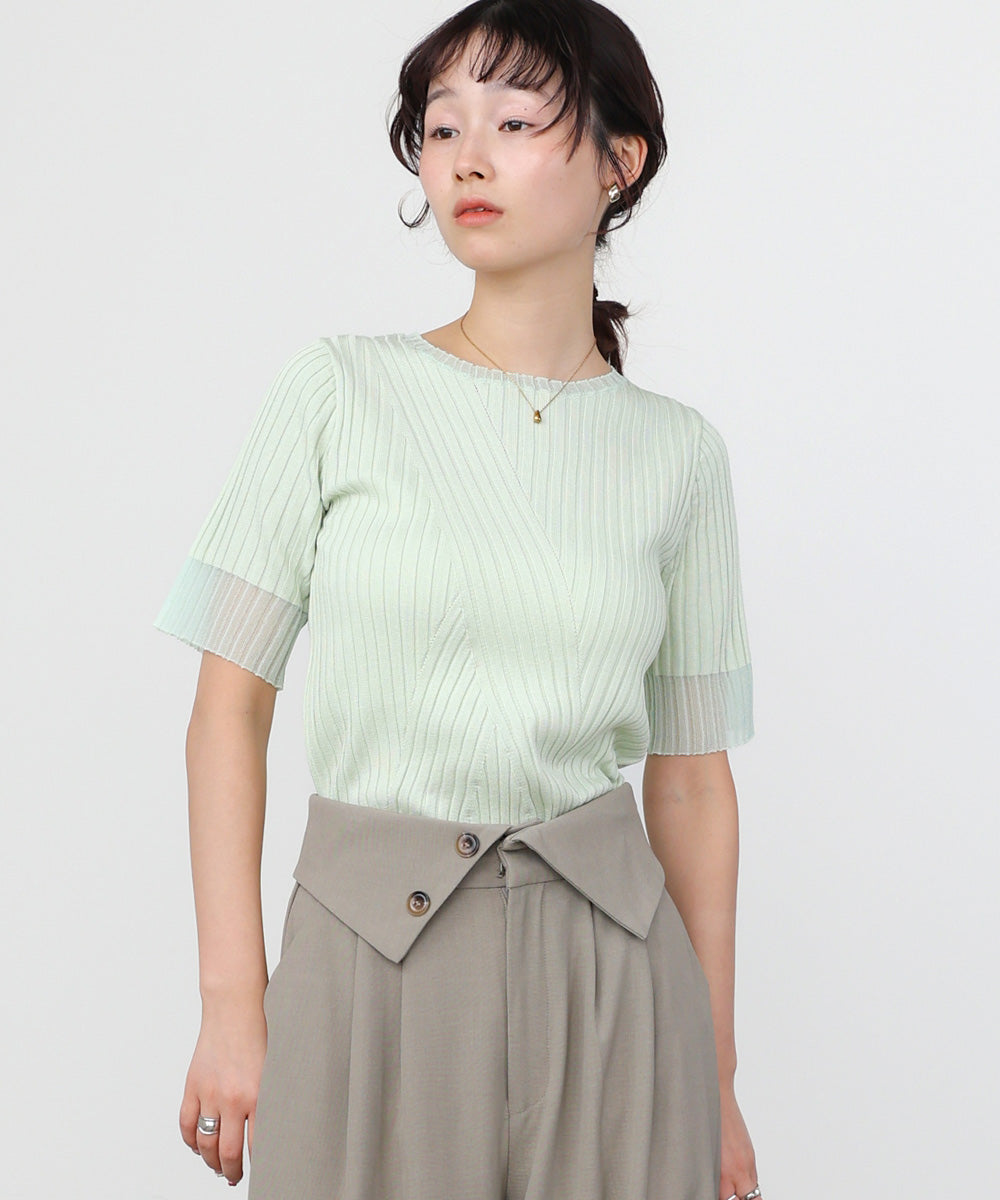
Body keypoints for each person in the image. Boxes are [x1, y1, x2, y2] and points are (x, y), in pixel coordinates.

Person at [152, 2, 764, 1198]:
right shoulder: (338, 392)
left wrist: (716, 1076)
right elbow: (228, 710)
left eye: (515, 121)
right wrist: (232, 1004)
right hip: (365, 958)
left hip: (615, 978)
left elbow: (692, 779)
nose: (467, 157)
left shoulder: (678, 456)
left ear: (619, 158)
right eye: (442, 129)